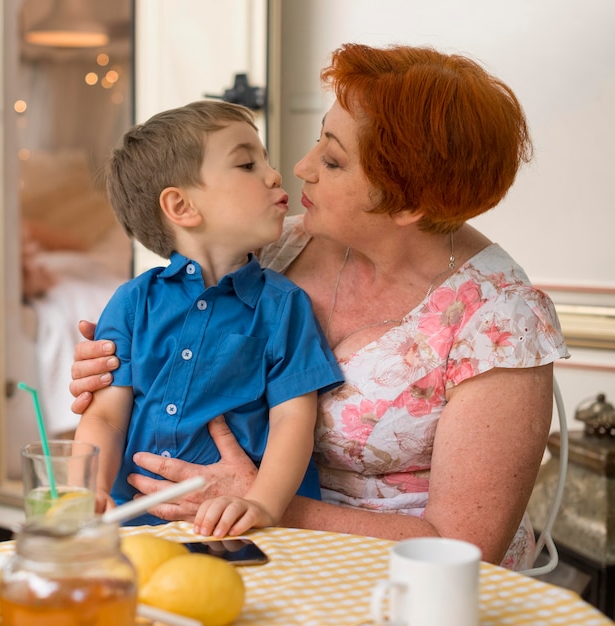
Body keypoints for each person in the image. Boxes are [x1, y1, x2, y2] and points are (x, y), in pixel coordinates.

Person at [70, 44, 569, 569]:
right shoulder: (268, 247)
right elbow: (158, 365)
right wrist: (106, 369)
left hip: (407, 583)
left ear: (408, 201)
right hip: (250, 557)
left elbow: (466, 547)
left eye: (332, 160)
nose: (300, 168)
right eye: (318, 140)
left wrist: (261, 498)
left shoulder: (499, 320)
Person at [73, 100, 344, 534]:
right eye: (246, 164)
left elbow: (294, 420)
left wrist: (261, 505)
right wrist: (86, 492)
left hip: (237, 529)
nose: (274, 174)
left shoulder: (283, 306)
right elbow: (104, 416)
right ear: (181, 207)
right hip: (134, 524)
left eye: (266, 161)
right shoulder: (132, 302)